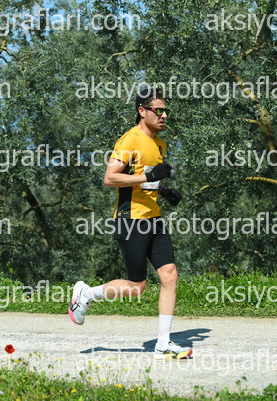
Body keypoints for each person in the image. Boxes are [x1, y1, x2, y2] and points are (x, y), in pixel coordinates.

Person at [68, 86, 192, 360]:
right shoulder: (129, 140)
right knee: (137, 287)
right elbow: (110, 178)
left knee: (170, 276)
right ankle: (86, 294)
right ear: (142, 111)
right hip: (131, 220)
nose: (164, 116)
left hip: (153, 217)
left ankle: (162, 344)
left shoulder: (159, 144)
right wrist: (149, 178)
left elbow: (145, 181)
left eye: (166, 111)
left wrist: (163, 191)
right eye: (158, 110)